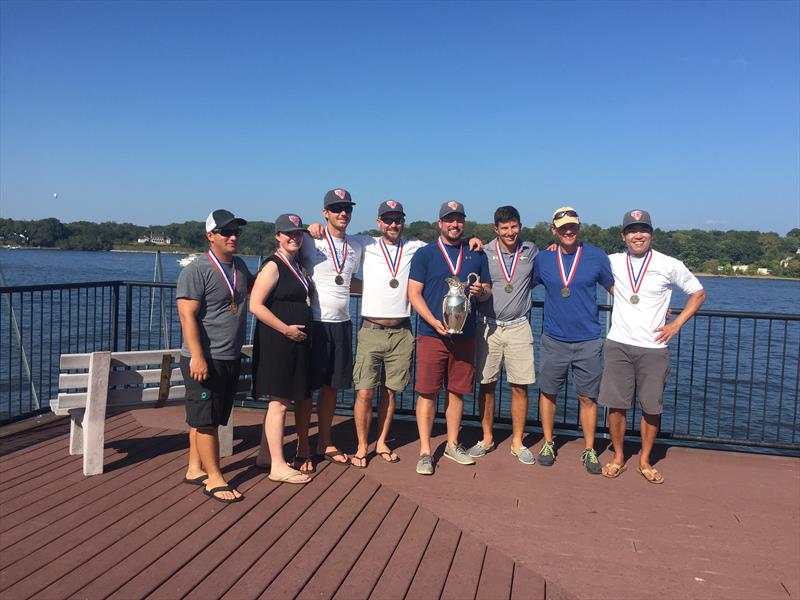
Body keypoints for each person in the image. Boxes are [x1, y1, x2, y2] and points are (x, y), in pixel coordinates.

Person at [599, 209, 707, 484]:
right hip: (619, 344)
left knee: (651, 407)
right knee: (616, 405)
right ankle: (619, 456)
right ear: (623, 236)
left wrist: (676, 324)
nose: (638, 235)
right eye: (632, 230)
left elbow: (698, 293)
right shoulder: (611, 261)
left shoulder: (669, 264)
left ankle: (645, 460)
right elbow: (585, 264)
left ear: (651, 234)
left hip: (654, 347)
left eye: (643, 229)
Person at [408, 201, 491, 476]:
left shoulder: (476, 253)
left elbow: (488, 290)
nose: (454, 224)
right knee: (427, 392)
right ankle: (424, 451)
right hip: (432, 334)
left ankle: (453, 444)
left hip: (465, 334)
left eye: (459, 220)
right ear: (440, 223)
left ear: (463, 223)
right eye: (449, 220)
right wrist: (432, 320)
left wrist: (481, 291)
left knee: (457, 392)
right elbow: (414, 294)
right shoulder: (425, 254)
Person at [176, 209, 252, 503]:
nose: (233, 237)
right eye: (226, 232)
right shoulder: (197, 270)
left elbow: (258, 289)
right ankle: (215, 479)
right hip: (205, 357)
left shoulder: (240, 267)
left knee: (210, 418)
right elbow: (187, 315)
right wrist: (197, 356)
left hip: (230, 355)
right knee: (206, 421)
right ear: (210, 236)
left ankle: (195, 468)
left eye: (236, 232)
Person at [531, 207, 614, 474]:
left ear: (579, 228)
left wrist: (654, 308)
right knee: (548, 392)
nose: (568, 231)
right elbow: (520, 282)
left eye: (573, 227)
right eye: (563, 227)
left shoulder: (596, 257)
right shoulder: (543, 259)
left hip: (588, 340)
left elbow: (617, 290)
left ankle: (589, 449)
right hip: (554, 338)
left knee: (588, 397)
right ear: (553, 230)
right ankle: (547, 442)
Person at [347, 201, 426, 468]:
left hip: (402, 332)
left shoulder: (414, 248)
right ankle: (361, 445)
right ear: (379, 222)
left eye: (398, 219)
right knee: (365, 393)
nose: (393, 224)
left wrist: (475, 241)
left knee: (390, 393)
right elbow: (334, 239)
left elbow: (446, 248)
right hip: (371, 330)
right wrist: (314, 231)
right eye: (388, 220)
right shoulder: (365, 243)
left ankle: (381, 442)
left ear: (404, 222)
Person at [298, 188, 364, 468]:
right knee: (305, 389)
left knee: (331, 388)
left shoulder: (357, 245)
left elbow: (352, 283)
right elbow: (281, 248)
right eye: (336, 208)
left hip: (342, 324)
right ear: (325, 213)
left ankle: (325, 442)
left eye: (347, 208)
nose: (342, 213)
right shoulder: (308, 240)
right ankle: (303, 447)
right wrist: (306, 228)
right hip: (314, 323)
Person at [469, 205, 539, 465]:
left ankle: (517, 442)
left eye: (514, 226)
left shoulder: (531, 250)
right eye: (504, 228)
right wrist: (468, 240)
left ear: (520, 226)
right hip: (488, 326)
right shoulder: (483, 251)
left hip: (519, 326)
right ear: (495, 229)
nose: (510, 232)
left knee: (520, 386)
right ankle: (486, 437)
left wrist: (554, 248)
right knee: (486, 385)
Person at [250, 214, 314, 484]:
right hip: (279, 341)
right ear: (277, 235)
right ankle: (277, 465)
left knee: (283, 402)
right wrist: (286, 329)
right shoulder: (273, 266)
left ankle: (270, 458)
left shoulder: (296, 264)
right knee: (278, 404)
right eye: (288, 233)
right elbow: (255, 305)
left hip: (293, 343)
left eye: (298, 233)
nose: (294, 237)